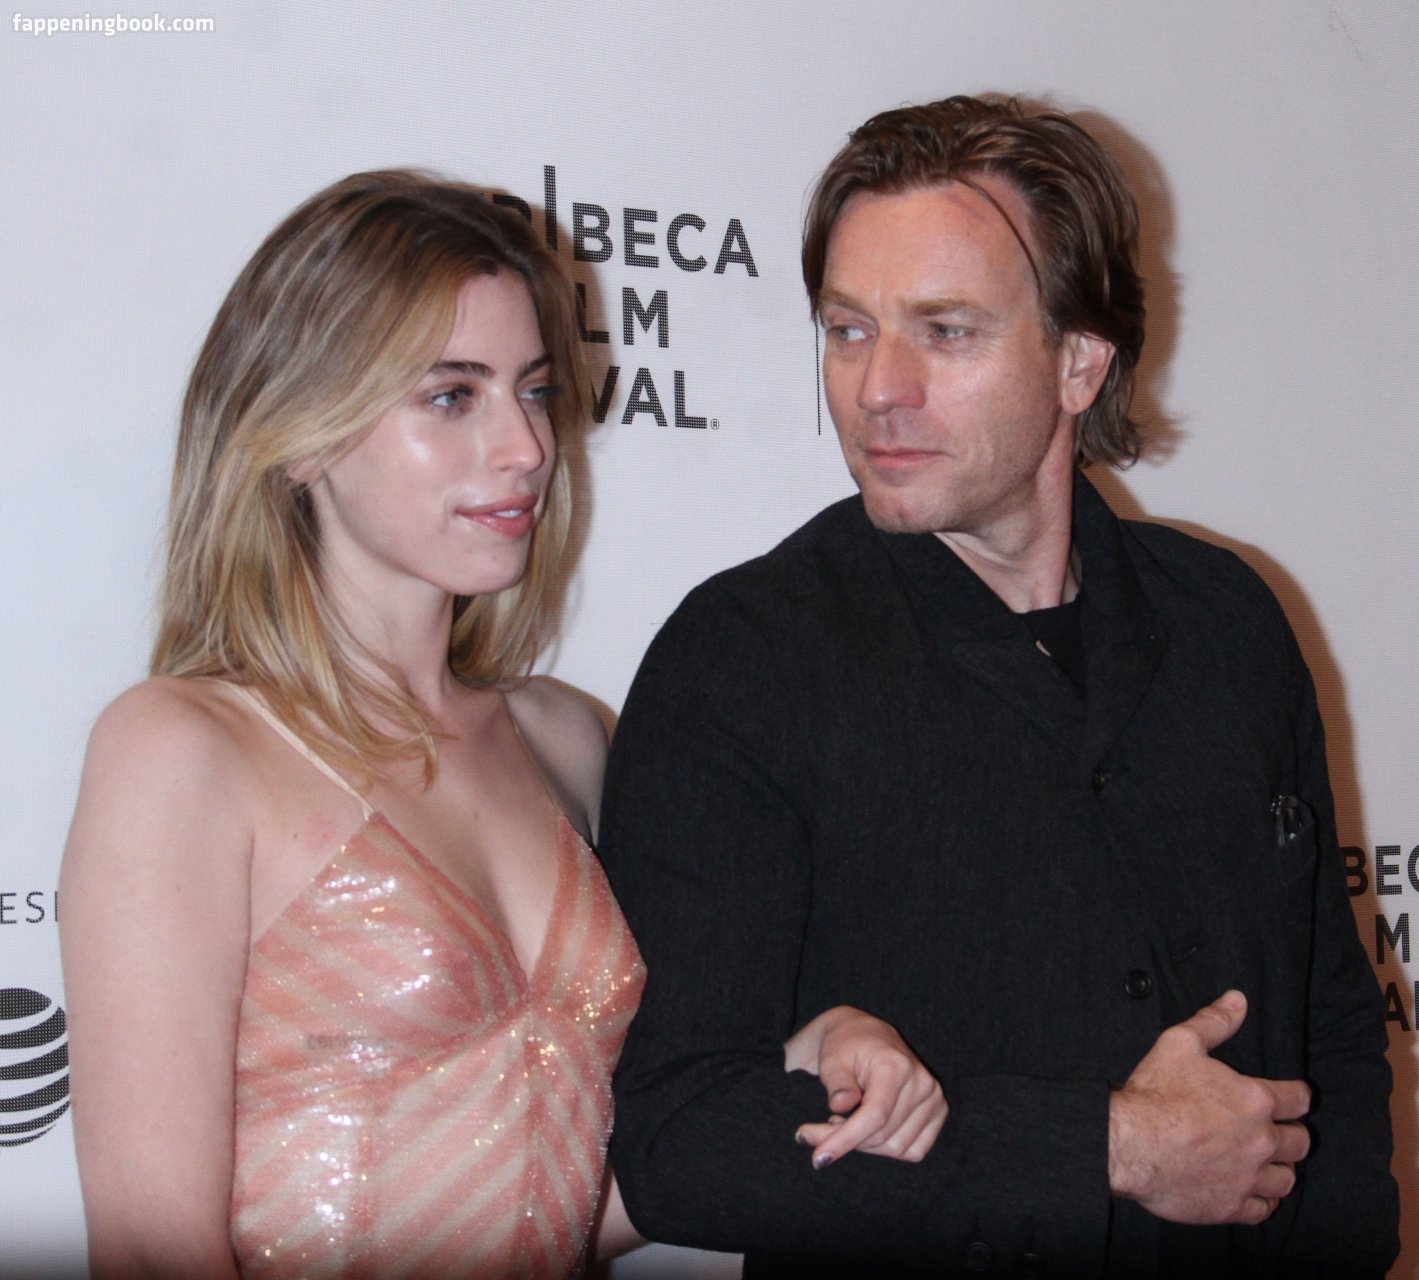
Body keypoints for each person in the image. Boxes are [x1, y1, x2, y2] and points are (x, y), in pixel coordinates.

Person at [60, 169, 945, 1280]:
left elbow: (572, 1198)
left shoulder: (564, 740)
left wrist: (803, 1065)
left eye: (533, 390)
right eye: (451, 396)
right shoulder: (183, 751)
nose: (526, 446)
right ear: (301, 431)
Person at [598, 96, 1399, 1278]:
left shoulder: (1229, 622)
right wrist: (1103, 1147)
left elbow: (1328, 1015)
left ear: (1080, 360)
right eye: (848, 328)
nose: (879, 386)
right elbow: (680, 1134)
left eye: (946, 330)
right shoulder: (741, 659)